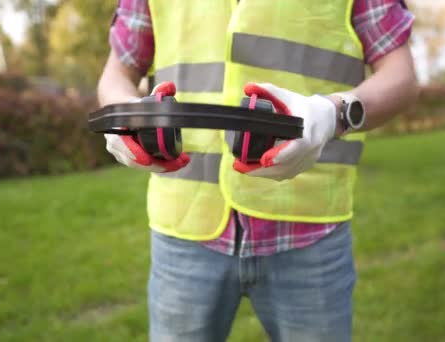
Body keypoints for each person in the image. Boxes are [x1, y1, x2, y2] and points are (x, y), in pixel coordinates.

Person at [97, 1, 418, 341]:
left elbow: (401, 75)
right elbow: (117, 73)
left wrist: (333, 114)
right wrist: (124, 116)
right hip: (182, 230)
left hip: (311, 232)